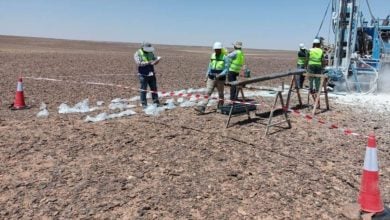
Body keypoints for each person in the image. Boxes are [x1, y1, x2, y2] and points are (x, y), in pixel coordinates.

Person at [195, 41, 229, 114]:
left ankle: (220, 107)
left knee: (220, 94)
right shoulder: (213, 55)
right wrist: (206, 76)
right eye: (215, 49)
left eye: (218, 49)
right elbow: (210, 66)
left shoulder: (225, 57)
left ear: (220, 49)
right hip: (211, 78)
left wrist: (220, 75)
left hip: (220, 79)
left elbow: (226, 69)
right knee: (207, 92)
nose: (216, 50)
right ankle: (202, 107)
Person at [134, 42, 161, 108]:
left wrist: (157, 60)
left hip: (151, 74)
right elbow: (139, 63)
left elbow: (154, 62)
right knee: (143, 90)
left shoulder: (150, 53)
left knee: (154, 88)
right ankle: (144, 104)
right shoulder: (138, 53)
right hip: (143, 74)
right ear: (143, 47)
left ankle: (156, 102)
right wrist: (148, 62)